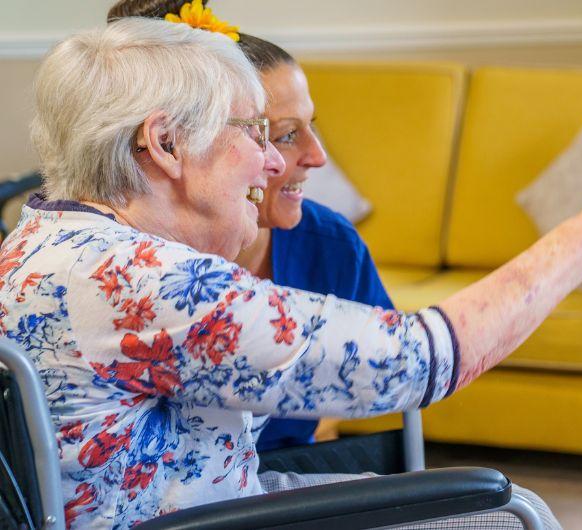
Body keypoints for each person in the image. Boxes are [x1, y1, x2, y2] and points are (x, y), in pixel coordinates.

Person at [6, 14, 582, 530]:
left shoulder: (36, 237)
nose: (274, 161)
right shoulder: (163, 289)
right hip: (195, 523)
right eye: (252, 132)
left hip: (174, 505)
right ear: (164, 144)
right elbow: (428, 358)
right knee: (511, 514)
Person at [109, 0, 396, 452]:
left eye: (310, 127)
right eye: (280, 133)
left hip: (284, 486)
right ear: (177, 143)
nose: (316, 155)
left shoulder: (331, 245)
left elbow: (395, 368)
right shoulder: (119, 265)